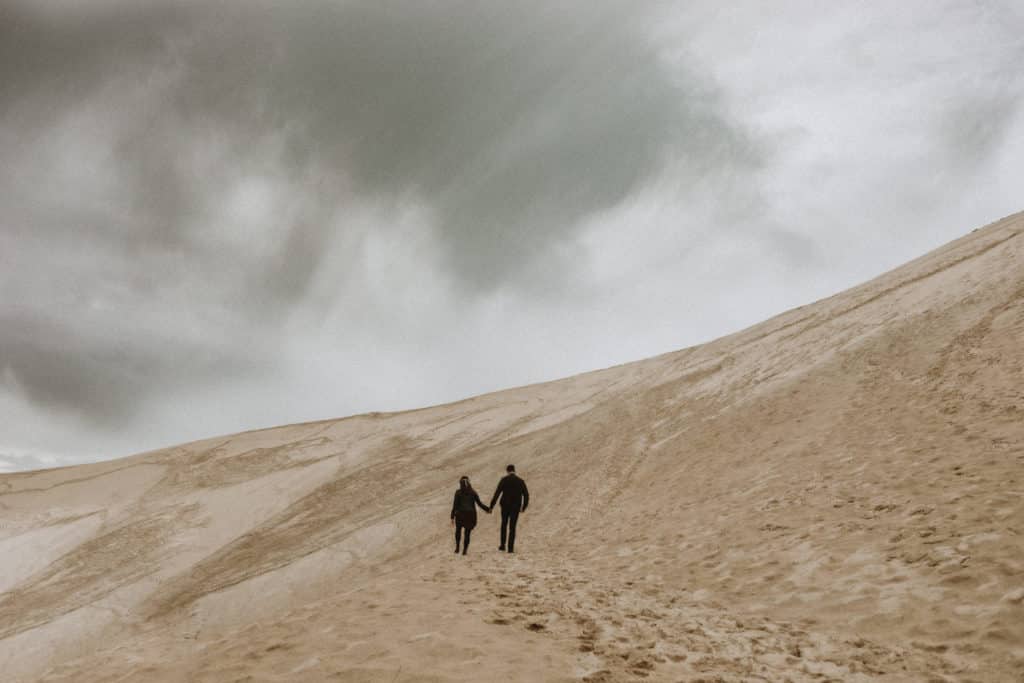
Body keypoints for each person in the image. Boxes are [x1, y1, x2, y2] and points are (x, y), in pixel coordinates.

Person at [489, 464, 529, 553]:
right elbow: (526, 495)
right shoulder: (520, 481)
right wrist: (524, 507)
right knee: (512, 527)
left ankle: (503, 545)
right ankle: (510, 548)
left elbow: (497, 493)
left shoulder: (504, 480)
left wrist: (491, 506)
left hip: (505, 506)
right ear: (514, 470)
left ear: (507, 471)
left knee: (504, 524)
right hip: (516, 507)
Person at [451, 476, 490, 555]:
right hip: (470, 515)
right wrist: (487, 509)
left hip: (460, 514)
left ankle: (457, 548)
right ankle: (465, 550)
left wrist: (452, 516)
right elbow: (479, 503)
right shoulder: (473, 492)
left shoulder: (458, 492)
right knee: (467, 533)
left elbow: (455, 505)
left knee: (458, 530)